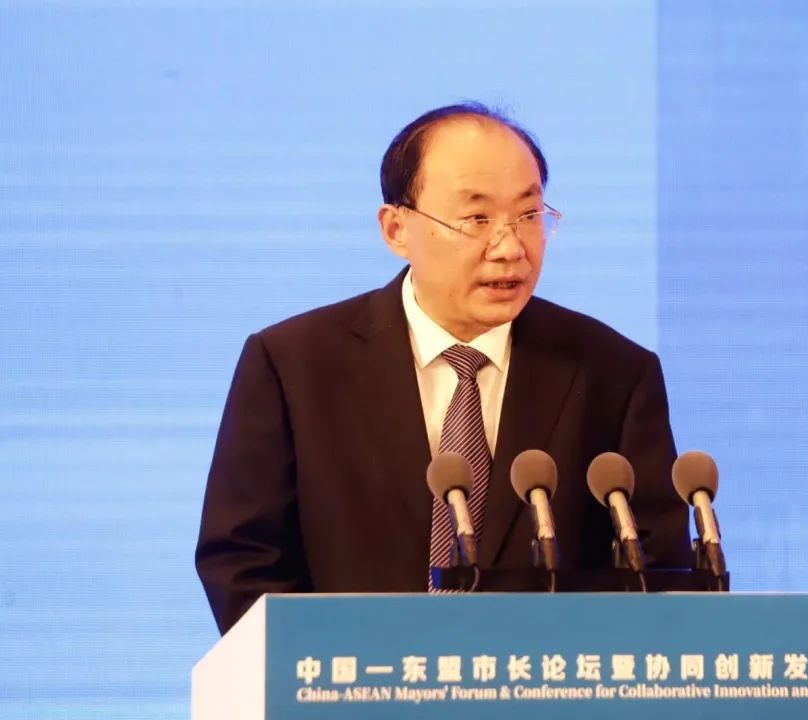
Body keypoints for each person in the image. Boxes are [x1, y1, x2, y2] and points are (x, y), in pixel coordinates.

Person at [195, 103, 690, 634]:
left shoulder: (613, 373)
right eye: (476, 219)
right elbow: (243, 561)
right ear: (396, 229)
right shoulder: (293, 364)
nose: (510, 247)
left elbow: (657, 573)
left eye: (528, 215)